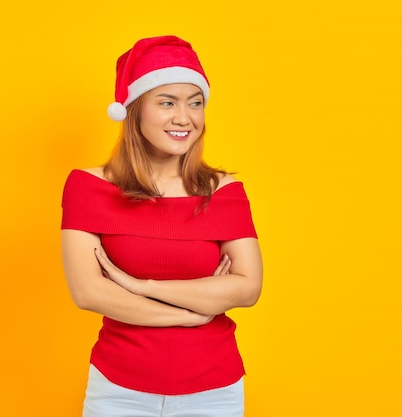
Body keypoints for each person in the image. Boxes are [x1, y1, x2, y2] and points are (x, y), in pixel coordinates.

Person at [60, 36, 263, 417]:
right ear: (134, 111)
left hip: (214, 391)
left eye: (195, 102)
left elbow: (248, 287)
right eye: (167, 102)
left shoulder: (225, 191)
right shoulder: (89, 188)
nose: (185, 118)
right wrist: (191, 313)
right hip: (118, 390)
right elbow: (89, 292)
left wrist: (141, 287)